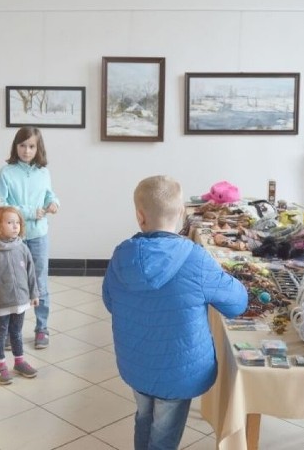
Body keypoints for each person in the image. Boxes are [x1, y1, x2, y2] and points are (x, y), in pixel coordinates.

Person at [103, 175, 248, 450]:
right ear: (182, 214)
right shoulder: (196, 258)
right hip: (179, 370)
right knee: (165, 434)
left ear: (140, 216)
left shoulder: (122, 255)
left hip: (136, 362)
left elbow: (110, 301)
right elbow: (237, 303)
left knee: (144, 416)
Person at [0, 126, 59, 349]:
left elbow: (50, 194)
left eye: (31, 146)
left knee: (40, 283)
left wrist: (54, 203)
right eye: (22, 145)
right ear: (16, 146)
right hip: (13, 239)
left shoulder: (43, 172)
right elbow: (0, 205)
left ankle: (42, 328)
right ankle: (13, 333)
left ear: (38, 148)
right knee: (14, 284)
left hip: (39, 236)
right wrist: (29, 212)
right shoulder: (6, 172)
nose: (27, 150)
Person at [0, 206, 40, 384]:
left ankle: (19, 361)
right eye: (9, 222)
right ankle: (0, 365)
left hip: (20, 301)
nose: (15, 226)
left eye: (17, 223)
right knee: (1, 334)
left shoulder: (22, 248)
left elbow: (31, 272)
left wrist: (34, 293)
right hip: (1, 303)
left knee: (16, 332)